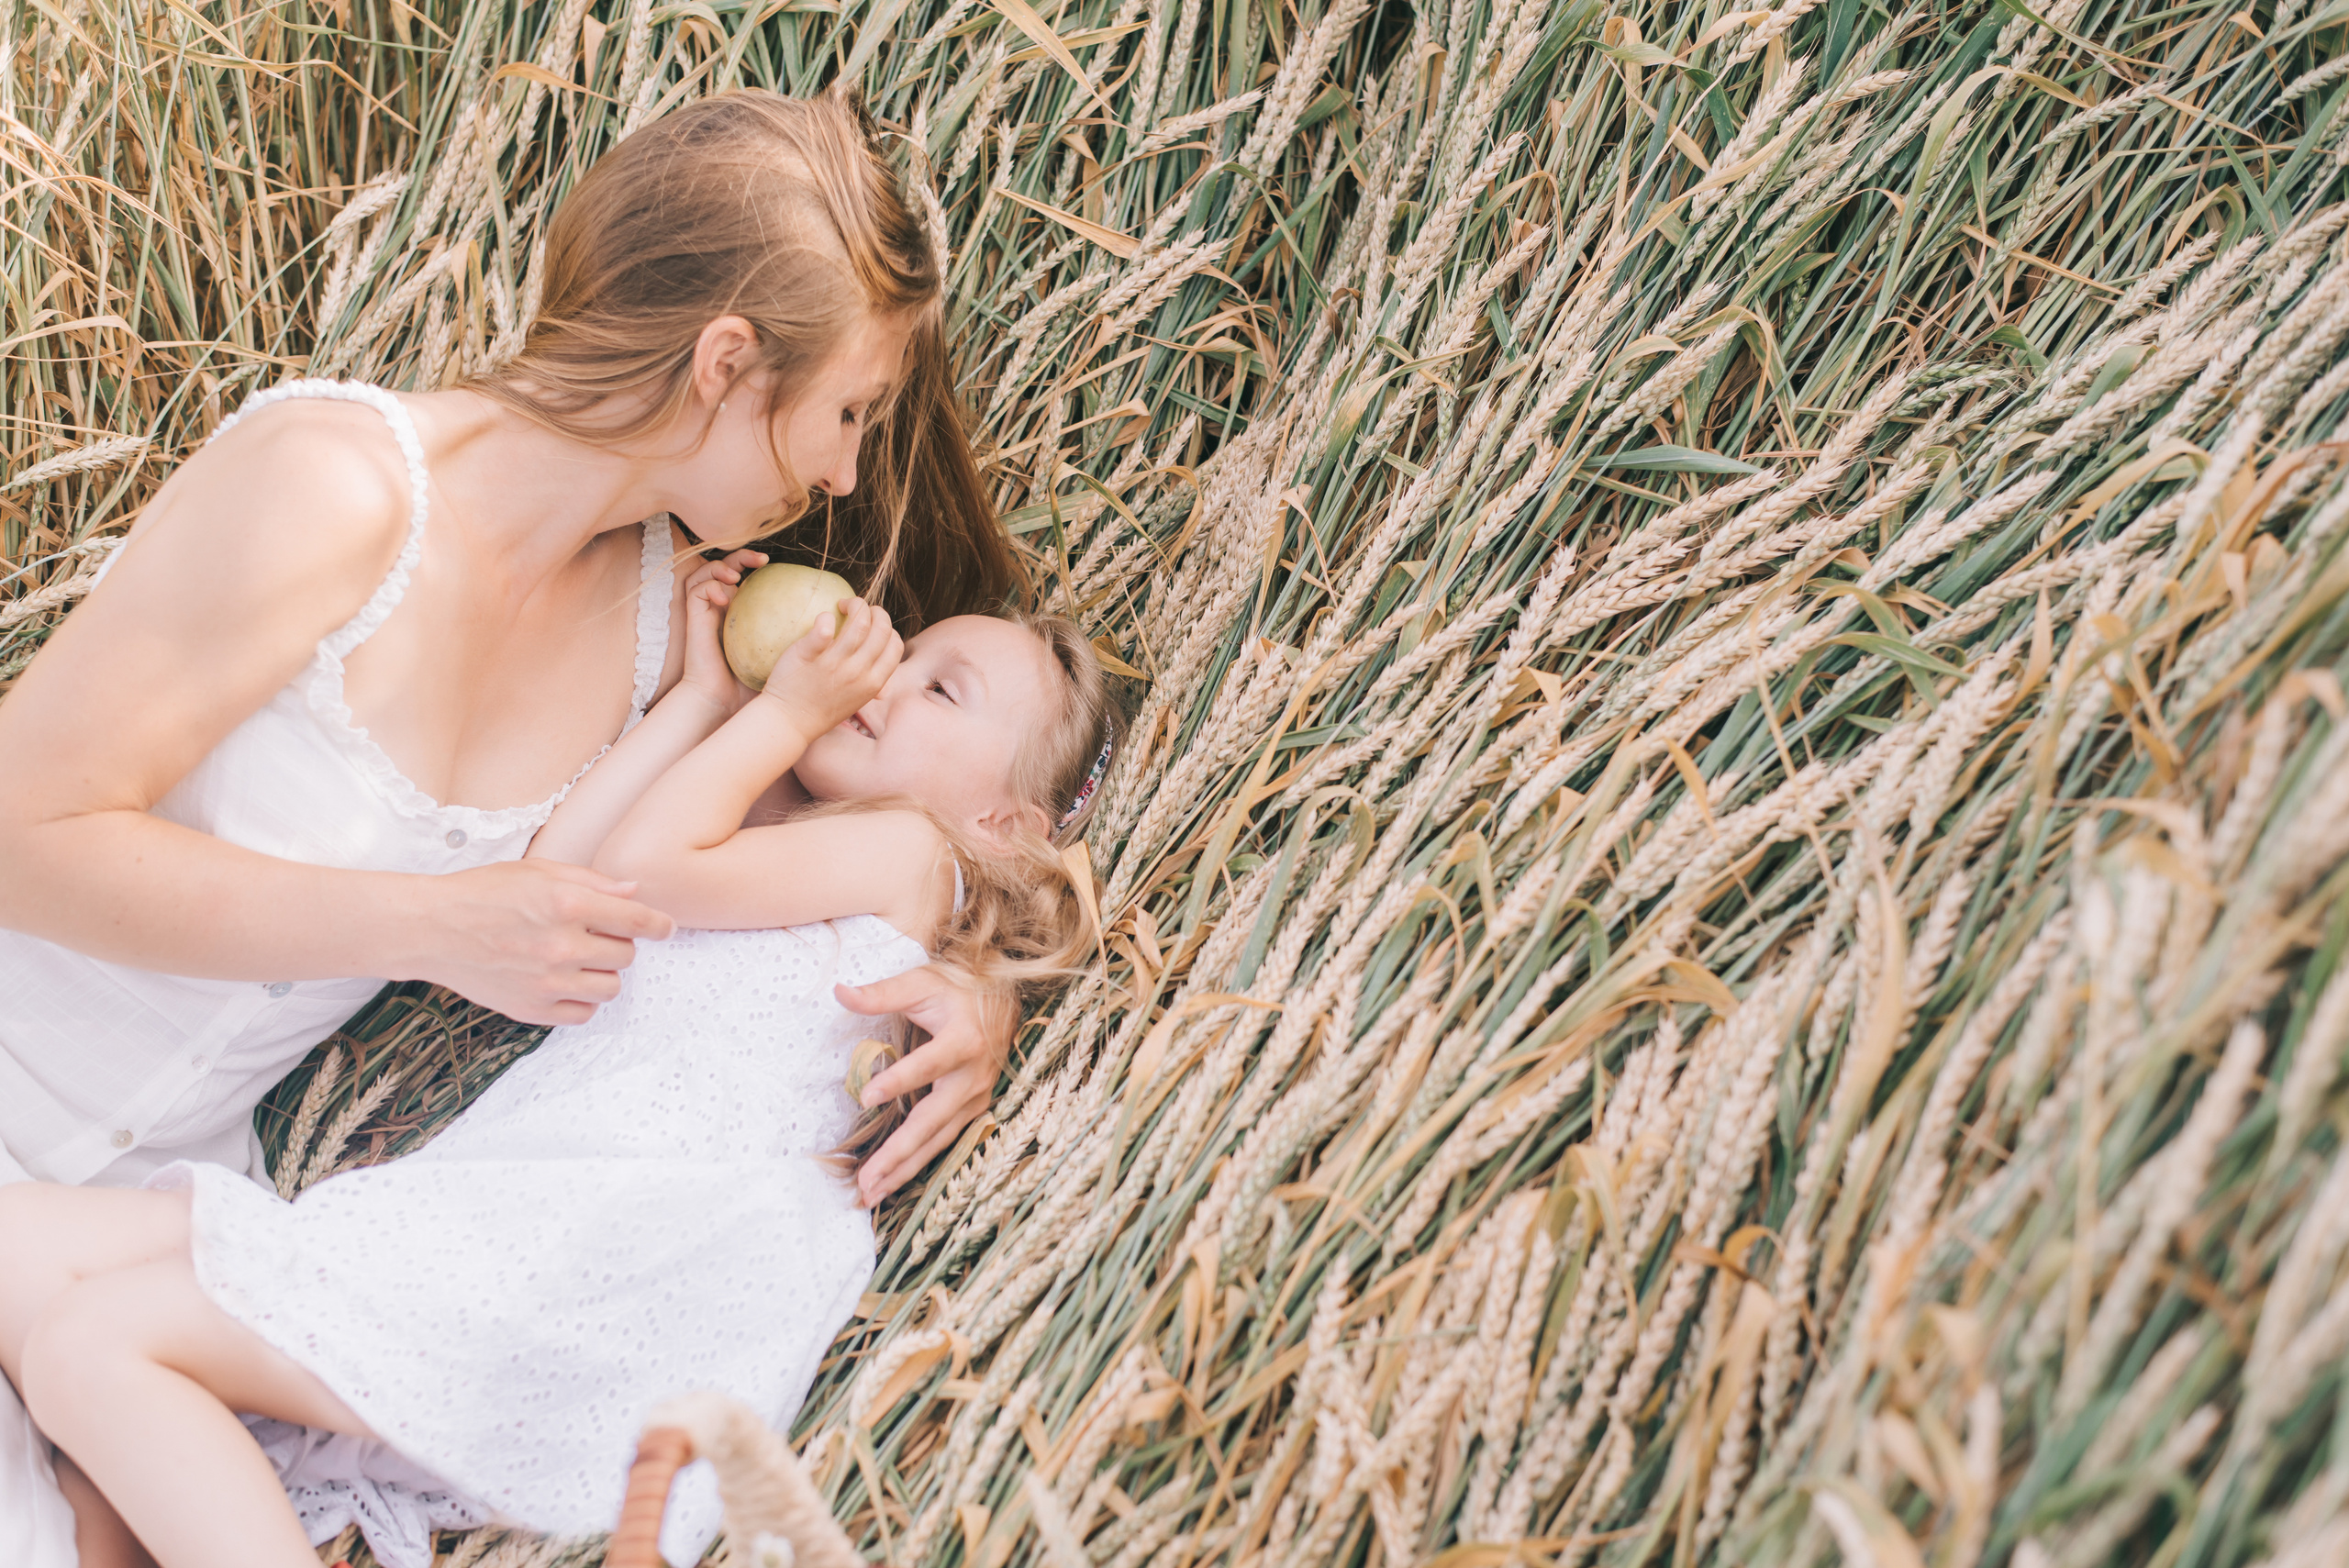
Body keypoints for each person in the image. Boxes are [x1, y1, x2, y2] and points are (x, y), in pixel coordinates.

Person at [0, 89, 1022, 1567]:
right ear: (727, 364)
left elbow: (845, 832)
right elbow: (21, 831)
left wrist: (975, 991)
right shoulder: (337, 489)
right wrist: (424, 927)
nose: (850, 474)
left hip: (153, 1204)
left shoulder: (677, 620)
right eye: (849, 413)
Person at [0, 564, 1122, 1568]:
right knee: (54, 1329)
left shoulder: (915, 855)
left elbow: (649, 864)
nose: (886, 669)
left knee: (93, 1344)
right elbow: (568, 874)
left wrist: (783, 710)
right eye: (911, 650)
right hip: (505, 1208)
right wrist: (706, 699)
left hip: (608, 1242)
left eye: (941, 689)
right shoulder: (785, 825)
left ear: (1005, 824)